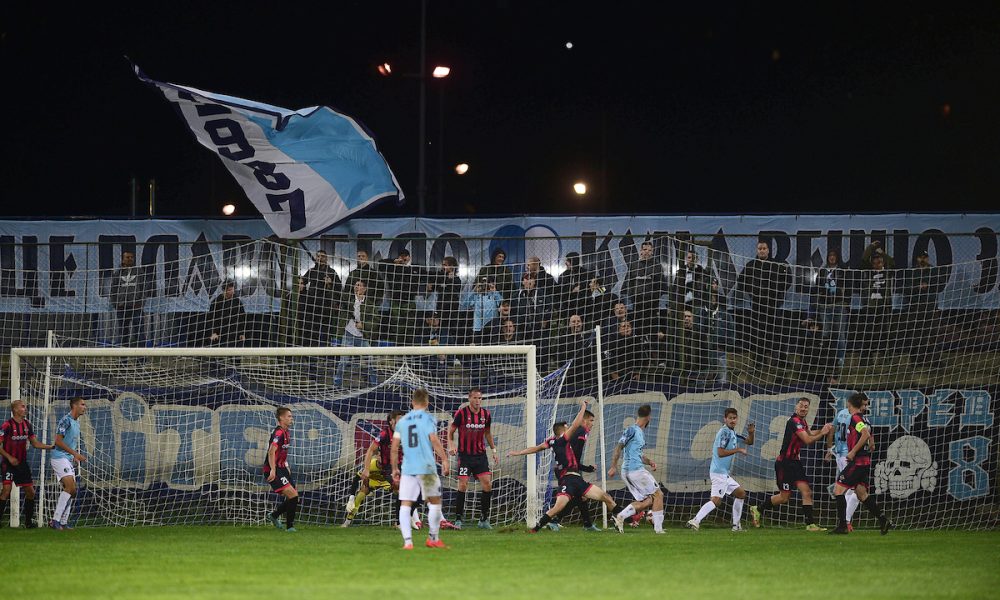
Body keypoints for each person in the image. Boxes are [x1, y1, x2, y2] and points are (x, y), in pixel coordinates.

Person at [507, 399, 620, 533]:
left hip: (576, 478)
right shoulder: (563, 439)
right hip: (568, 479)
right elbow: (576, 424)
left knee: (603, 497)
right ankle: (536, 529)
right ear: (563, 431)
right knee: (559, 506)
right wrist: (583, 407)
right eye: (567, 428)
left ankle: (622, 518)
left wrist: (517, 452)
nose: (570, 430)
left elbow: (536, 448)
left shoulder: (552, 441)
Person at [754, 397, 832, 531]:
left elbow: (809, 433)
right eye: (801, 405)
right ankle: (758, 508)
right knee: (784, 497)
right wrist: (823, 433)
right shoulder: (794, 421)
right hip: (784, 463)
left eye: (806, 406)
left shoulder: (802, 422)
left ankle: (810, 524)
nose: (803, 408)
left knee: (806, 492)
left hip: (795, 462)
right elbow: (807, 440)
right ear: (796, 407)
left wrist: (823, 429)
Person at [343, 410, 428, 530]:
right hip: (388, 469)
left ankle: (407, 516)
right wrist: (366, 469)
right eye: (399, 419)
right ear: (391, 421)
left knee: (420, 494)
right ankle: (399, 522)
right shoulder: (384, 434)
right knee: (401, 489)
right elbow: (371, 450)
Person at [390, 389, 451, 550]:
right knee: (435, 501)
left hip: (408, 468)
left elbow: (394, 448)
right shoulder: (428, 418)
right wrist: (444, 459)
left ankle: (408, 542)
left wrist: (395, 469)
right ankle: (433, 538)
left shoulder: (402, 421)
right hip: (427, 468)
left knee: (405, 504)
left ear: (412, 402)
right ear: (427, 403)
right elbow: (434, 440)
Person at [830, 393, 893, 535]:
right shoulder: (864, 418)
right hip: (864, 462)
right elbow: (868, 433)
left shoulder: (855, 417)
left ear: (849, 403)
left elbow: (864, 434)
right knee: (862, 495)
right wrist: (872, 443)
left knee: (838, 491)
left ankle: (842, 526)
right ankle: (883, 520)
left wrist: (852, 452)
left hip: (857, 462)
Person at [686, 408, 756, 531]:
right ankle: (695, 520)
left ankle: (736, 526)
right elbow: (720, 452)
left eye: (734, 418)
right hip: (718, 472)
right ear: (725, 419)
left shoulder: (732, 433)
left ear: (737, 419)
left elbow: (749, 442)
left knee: (741, 494)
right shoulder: (724, 432)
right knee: (716, 500)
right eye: (730, 418)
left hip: (723, 474)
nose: (732, 420)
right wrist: (738, 450)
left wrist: (751, 432)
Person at [736, 240, 793, 372]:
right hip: (757, 306)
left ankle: (779, 360)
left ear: (768, 250)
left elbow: (787, 280)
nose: (762, 251)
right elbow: (741, 282)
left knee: (776, 333)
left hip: (773, 306)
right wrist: (752, 292)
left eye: (764, 248)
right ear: (757, 250)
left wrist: (777, 293)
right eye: (759, 248)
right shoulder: (751, 266)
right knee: (758, 335)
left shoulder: (777, 265)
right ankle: (759, 361)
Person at [609, 404, 665, 534]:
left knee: (648, 500)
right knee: (658, 495)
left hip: (631, 470)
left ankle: (620, 516)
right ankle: (658, 529)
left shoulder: (639, 432)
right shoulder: (632, 430)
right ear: (649, 417)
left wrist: (649, 462)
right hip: (635, 470)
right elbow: (618, 447)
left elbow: (638, 454)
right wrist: (613, 466)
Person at [447, 388, 499, 529]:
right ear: (469, 399)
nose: (478, 401)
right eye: (475, 398)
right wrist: (451, 445)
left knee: (487, 484)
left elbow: (487, 433)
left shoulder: (486, 415)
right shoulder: (461, 413)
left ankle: (483, 519)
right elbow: (451, 431)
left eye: (480, 398)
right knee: (463, 485)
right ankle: (458, 518)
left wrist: (494, 450)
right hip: (465, 456)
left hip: (480, 456)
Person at [0, 400, 54, 528]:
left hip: (22, 464)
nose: (25, 408)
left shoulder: (27, 425)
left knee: (30, 492)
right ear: (15, 410)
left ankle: (28, 522)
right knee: (6, 490)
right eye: (23, 407)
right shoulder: (6, 425)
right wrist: (9, 457)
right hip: (8, 463)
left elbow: (35, 443)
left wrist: (51, 447)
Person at [549, 407, 600, 532]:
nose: (592, 423)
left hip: (565, 468)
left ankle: (587, 524)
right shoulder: (582, 430)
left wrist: (585, 468)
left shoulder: (575, 432)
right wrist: (585, 468)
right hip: (567, 470)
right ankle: (553, 520)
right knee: (577, 496)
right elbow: (575, 455)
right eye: (591, 420)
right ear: (584, 420)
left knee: (579, 496)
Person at [50, 397, 87, 530]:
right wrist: (75, 454)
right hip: (59, 457)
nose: (85, 407)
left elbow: (70, 442)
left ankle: (63, 522)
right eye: (82, 405)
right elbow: (58, 441)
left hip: (67, 458)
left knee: (72, 491)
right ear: (74, 406)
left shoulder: (76, 422)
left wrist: (73, 456)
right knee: (70, 487)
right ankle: (55, 520)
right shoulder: (65, 420)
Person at [825, 397, 862, 531]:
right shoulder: (854, 418)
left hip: (839, 454)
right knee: (856, 491)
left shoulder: (841, 413)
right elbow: (862, 436)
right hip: (848, 456)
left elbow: (831, 429)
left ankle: (844, 521)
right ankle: (845, 521)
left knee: (846, 488)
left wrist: (830, 448)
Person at [334, 279, 379, 388]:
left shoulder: (369, 304)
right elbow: (337, 295)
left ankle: (374, 384)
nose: (356, 287)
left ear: (365, 289)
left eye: (359, 285)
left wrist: (363, 325)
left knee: (370, 361)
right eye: (355, 285)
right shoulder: (348, 299)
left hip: (362, 336)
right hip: (348, 334)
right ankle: (336, 384)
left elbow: (375, 320)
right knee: (343, 362)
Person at [814, 248, 851, 373]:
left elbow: (849, 286)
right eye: (830, 255)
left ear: (837, 257)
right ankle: (826, 359)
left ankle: (840, 358)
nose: (832, 257)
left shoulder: (843, 271)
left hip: (839, 305)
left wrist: (845, 300)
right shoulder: (822, 271)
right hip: (825, 306)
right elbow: (817, 286)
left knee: (840, 334)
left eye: (834, 255)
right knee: (825, 334)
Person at [264, 406, 299, 532]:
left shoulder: (286, 432)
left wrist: (286, 466)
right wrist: (273, 470)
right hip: (273, 468)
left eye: (291, 416)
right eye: (289, 416)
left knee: (294, 497)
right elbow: (271, 452)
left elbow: (282, 452)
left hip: (282, 467)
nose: (291, 419)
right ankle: (289, 527)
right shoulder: (278, 432)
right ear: (281, 418)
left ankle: (274, 516)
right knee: (293, 495)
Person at [297, 249, 341, 347]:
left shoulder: (331, 272)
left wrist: (331, 283)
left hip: (327, 306)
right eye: (318, 256)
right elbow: (302, 281)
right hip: (312, 305)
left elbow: (339, 288)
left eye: (322, 256)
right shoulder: (312, 271)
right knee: (313, 331)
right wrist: (301, 284)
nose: (320, 258)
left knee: (326, 332)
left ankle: (325, 354)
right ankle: (313, 355)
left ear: (326, 258)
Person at [109, 250, 148, 347]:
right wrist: (116, 304)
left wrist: (140, 303)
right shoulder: (118, 273)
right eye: (127, 257)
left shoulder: (139, 272)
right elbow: (113, 290)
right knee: (123, 334)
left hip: (136, 308)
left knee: (139, 334)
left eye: (131, 257)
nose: (130, 259)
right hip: (122, 308)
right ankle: (123, 361)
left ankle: (141, 360)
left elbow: (144, 289)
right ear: (123, 259)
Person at [206, 281, 247, 347]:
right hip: (219, 333)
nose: (232, 292)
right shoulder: (216, 302)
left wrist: (242, 333)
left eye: (233, 290)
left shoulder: (237, 302)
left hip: (233, 333)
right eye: (229, 290)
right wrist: (213, 332)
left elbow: (242, 318)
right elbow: (211, 318)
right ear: (224, 290)